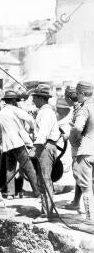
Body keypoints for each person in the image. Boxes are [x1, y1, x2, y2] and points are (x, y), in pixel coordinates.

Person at [0, 90, 40, 200]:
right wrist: (31, 127)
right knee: (29, 168)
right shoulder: (14, 109)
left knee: (10, 169)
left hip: (7, 145)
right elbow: (30, 119)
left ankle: (11, 194)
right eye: (15, 100)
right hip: (17, 143)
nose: (16, 102)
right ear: (12, 100)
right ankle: (37, 192)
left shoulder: (1, 112)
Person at [29, 84, 61, 222]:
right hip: (46, 147)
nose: (32, 101)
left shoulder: (46, 113)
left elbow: (43, 134)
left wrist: (34, 149)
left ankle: (47, 213)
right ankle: (47, 210)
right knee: (44, 179)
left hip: (45, 147)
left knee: (44, 179)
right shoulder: (45, 112)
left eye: (34, 98)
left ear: (40, 98)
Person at [69, 81, 94, 222]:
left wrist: (72, 139)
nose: (76, 96)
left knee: (86, 188)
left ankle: (91, 221)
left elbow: (78, 127)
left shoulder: (85, 108)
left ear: (83, 93)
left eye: (77, 94)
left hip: (86, 150)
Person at [61, 86, 83, 212]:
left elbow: (78, 128)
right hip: (78, 146)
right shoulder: (75, 108)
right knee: (79, 175)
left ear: (69, 98)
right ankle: (76, 202)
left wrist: (68, 136)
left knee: (83, 176)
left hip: (81, 147)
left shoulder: (80, 109)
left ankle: (82, 205)